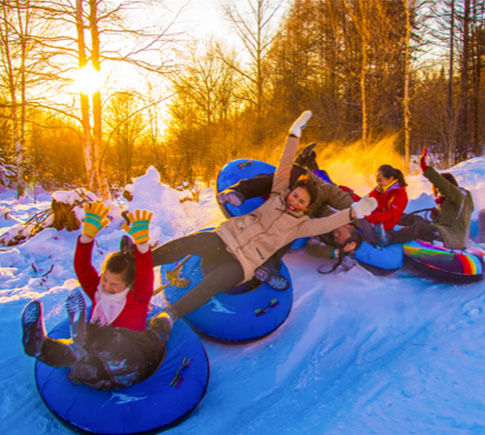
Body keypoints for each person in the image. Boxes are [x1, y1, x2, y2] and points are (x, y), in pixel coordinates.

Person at [151, 111, 377, 324]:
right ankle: (140, 261)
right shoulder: (279, 195)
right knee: (190, 243)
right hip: (226, 239)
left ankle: (170, 316)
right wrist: (294, 134)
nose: (294, 202)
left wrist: (356, 213)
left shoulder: (303, 226)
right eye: (295, 196)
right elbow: (285, 164)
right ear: (291, 191)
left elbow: (329, 223)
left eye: (301, 202)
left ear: (307, 208)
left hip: (244, 263)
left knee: (214, 282)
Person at [20, 203, 173, 390]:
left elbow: (145, 273)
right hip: (97, 372)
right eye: (105, 280)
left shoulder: (138, 298)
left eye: (114, 284)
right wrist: (87, 237)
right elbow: (82, 267)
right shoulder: (98, 292)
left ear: (130, 285)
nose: (107, 287)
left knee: (109, 339)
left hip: (128, 368)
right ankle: (40, 347)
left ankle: (80, 338)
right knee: (79, 357)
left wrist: (142, 245)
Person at [216, 142, 354, 288]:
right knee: (279, 179)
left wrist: (338, 253)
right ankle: (239, 192)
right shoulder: (329, 194)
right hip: (302, 182)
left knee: (292, 226)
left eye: (337, 236)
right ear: (349, 226)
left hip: (301, 205)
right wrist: (356, 210)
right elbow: (339, 196)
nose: (337, 233)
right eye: (341, 231)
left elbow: (313, 246)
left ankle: (269, 264)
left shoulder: (325, 224)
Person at [385, 148, 474, 250]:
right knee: (416, 219)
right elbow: (452, 218)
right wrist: (437, 217)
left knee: (419, 227)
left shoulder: (459, 196)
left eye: (439, 189)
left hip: (452, 238)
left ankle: (388, 238)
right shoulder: (452, 201)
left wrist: (425, 169)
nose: (438, 192)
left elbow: (444, 186)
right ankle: (386, 218)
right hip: (444, 232)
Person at [352, 164, 409, 246]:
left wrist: (369, 217)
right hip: (373, 222)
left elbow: (390, 215)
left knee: (358, 220)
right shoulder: (380, 190)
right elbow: (366, 201)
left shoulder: (399, 194)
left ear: (391, 178)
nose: (378, 183)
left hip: (383, 230)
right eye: (377, 180)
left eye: (380, 180)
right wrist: (351, 195)